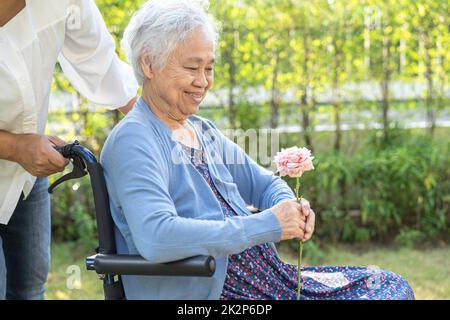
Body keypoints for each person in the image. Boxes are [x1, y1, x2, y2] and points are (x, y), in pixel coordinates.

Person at [100, 0, 414, 300]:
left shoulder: (201, 130)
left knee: (389, 284)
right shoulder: (134, 140)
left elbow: (265, 183)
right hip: (221, 294)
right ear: (148, 63)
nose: (203, 81)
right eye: (192, 67)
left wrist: (289, 207)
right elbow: (157, 236)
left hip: (269, 280)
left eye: (209, 68)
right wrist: (266, 225)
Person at [0, 0, 138, 300]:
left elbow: (103, 67)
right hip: (17, 155)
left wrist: (166, 127)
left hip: (25, 177)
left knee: (30, 288)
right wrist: (16, 146)